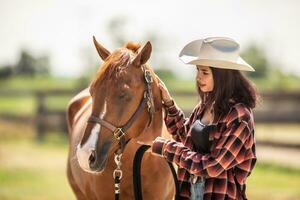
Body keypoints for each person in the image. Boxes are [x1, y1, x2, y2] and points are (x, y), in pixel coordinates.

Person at [151, 37, 258, 200]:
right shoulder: (205, 105)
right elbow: (185, 137)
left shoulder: (240, 116)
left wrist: (167, 148)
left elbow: (213, 166)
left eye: (205, 72)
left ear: (223, 76)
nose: (198, 77)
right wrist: (168, 103)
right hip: (189, 193)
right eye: (198, 71)